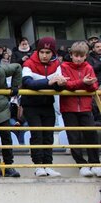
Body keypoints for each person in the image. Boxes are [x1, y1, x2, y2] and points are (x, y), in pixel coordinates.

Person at [22, 36, 66, 177]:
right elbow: (28, 83)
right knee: (37, 135)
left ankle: (48, 165)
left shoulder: (56, 65)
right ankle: (38, 166)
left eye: (48, 52)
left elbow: (58, 87)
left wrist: (60, 83)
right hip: (31, 105)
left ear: (52, 53)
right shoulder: (28, 63)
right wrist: (49, 81)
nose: (45, 55)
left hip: (48, 104)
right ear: (38, 51)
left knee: (48, 136)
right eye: (42, 52)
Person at [60, 41, 101, 177]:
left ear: (85, 56)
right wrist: (82, 82)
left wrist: (86, 84)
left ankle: (95, 163)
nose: (78, 58)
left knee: (91, 134)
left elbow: (94, 86)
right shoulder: (64, 66)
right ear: (71, 55)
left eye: (81, 56)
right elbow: (66, 85)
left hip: (85, 107)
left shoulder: (88, 67)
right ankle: (81, 164)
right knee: (74, 137)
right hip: (68, 108)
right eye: (75, 55)